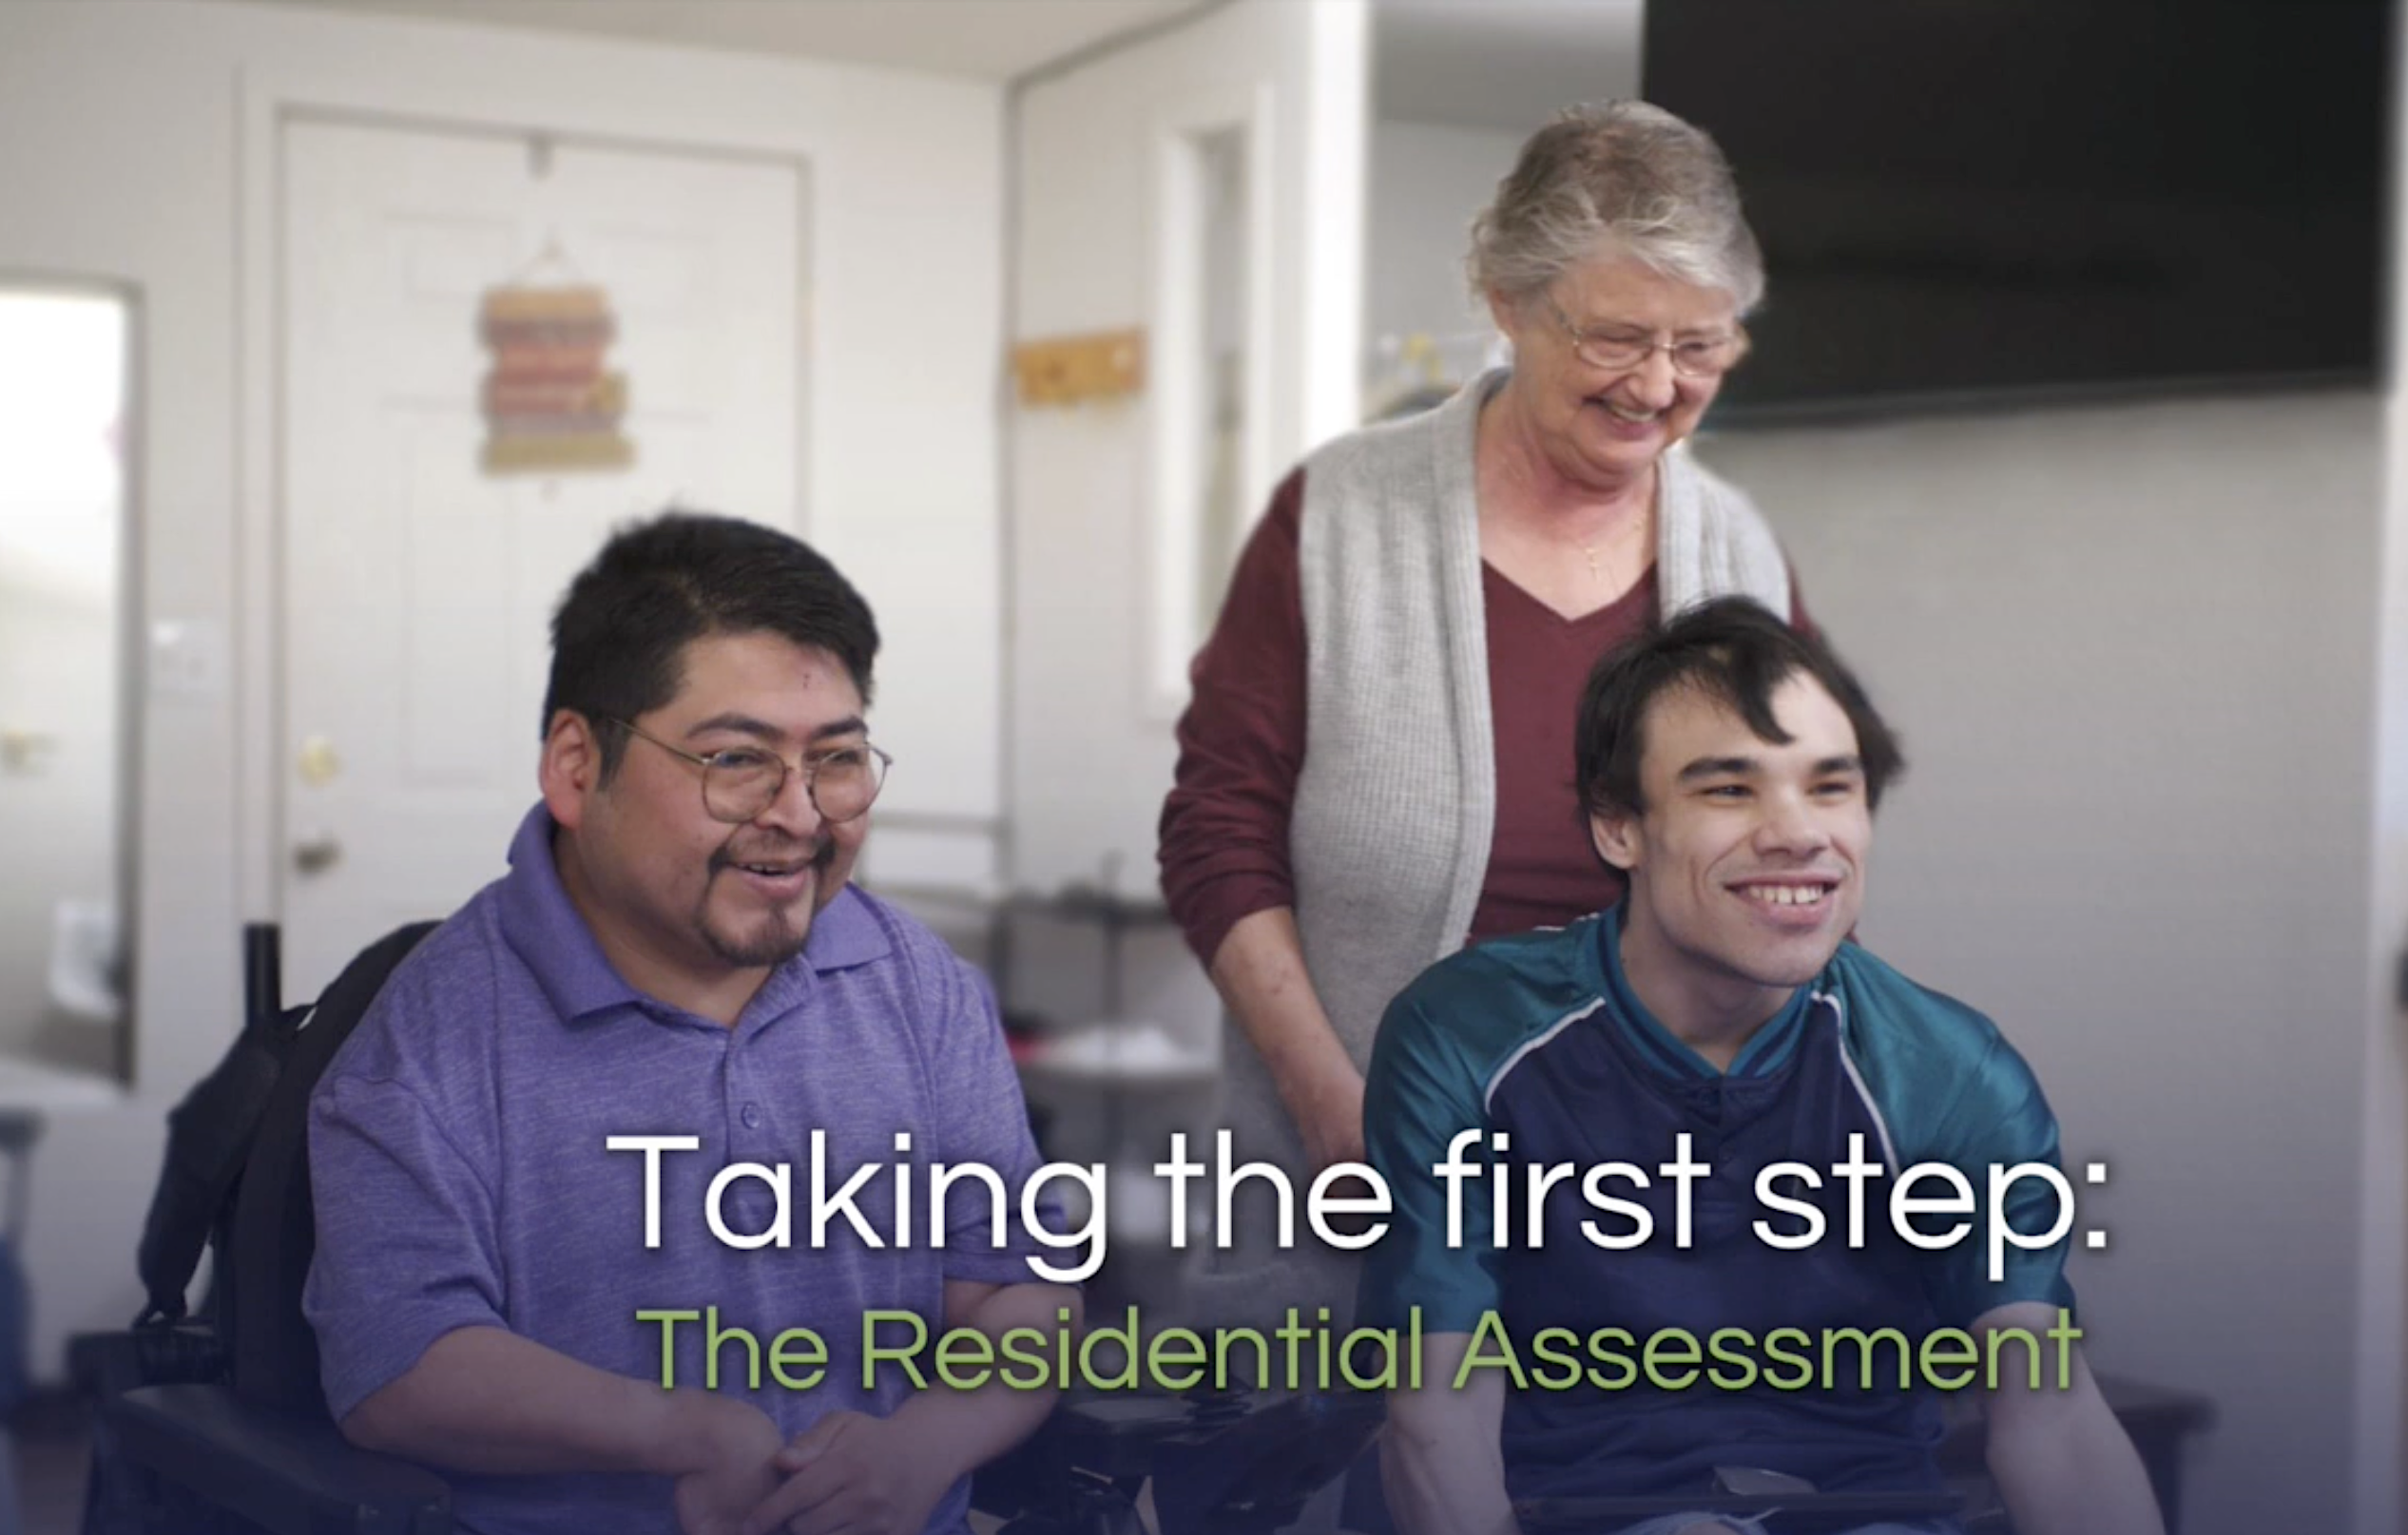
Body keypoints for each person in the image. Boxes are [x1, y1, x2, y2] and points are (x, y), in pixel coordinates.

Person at [303, 513, 1077, 1535]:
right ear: (578, 768)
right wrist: (683, 1433)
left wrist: (918, 1452)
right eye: (735, 759)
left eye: (836, 758)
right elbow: (396, 1366)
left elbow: (1015, 1292)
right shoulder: (433, 1036)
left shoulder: (917, 985)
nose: (800, 816)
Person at [1160, 99, 1805, 1322]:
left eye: (1702, 346)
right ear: (1507, 303)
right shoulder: (1341, 515)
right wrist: (1327, 1103)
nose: (1658, 386)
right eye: (1616, 337)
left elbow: (1800, 838)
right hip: (1357, 1161)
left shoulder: (1736, 552)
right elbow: (1216, 829)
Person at [1361, 599, 2164, 1535]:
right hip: (1568, 1510)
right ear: (1618, 826)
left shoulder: (1948, 1072)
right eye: (1729, 789)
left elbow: (2052, 1414)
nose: (1798, 834)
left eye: (1830, 787)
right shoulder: (1464, 1031)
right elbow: (1434, 1410)